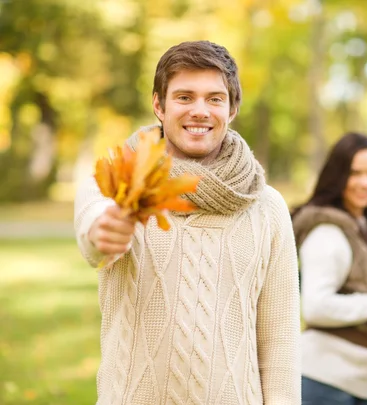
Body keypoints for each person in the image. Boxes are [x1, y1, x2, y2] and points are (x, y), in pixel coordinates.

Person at [74, 40, 301, 405]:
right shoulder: (115, 184)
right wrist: (106, 229)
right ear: (158, 105)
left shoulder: (268, 207)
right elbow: (94, 229)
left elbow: (280, 341)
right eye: (184, 97)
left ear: (232, 108)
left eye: (214, 98)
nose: (200, 111)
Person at [292, 132, 367, 405]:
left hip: (354, 386)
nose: (366, 183)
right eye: (355, 173)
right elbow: (316, 306)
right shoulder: (327, 232)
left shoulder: (362, 225)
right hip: (324, 383)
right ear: (338, 176)